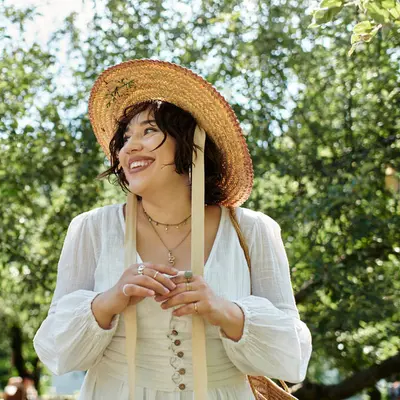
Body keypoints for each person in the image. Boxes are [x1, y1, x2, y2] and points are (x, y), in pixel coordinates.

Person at [33, 60, 312, 399]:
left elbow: (292, 356)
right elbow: (56, 352)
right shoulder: (90, 229)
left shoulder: (253, 230)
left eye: (148, 131)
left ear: (191, 143)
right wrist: (109, 300)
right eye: (125, 137)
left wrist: (222, 309)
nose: (130, 146)